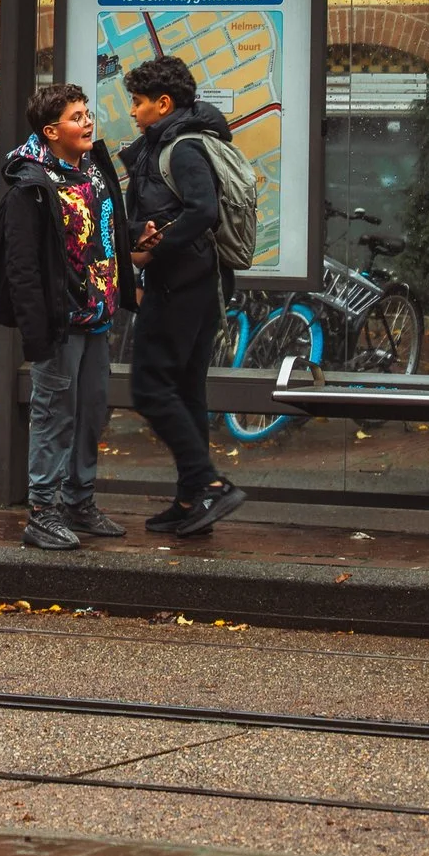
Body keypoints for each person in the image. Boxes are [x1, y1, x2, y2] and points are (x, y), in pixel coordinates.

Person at [0, 83, 134, 550]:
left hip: (98, 314)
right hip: (61, 323)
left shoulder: (92, 169)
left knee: (91, 412)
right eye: (77, 117)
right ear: (52, 131)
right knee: (54, 415)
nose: (88, 121)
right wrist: (39, 336)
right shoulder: (31, 185)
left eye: (87, 113)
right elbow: (23, 268)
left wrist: (136, 242)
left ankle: (79, 500)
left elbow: (103, 233)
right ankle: (42, 512)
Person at [117, 56, 247, 538]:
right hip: (192, 282)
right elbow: (158, 209)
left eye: (138, 101)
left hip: (184, 284)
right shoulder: (162, 144)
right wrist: (142, 233)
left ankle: (209, 483)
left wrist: (155, 246)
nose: (132, 111)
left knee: (150, 388)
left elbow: (203, 212)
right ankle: (194, 497)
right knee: (186, 391)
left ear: (163, 103)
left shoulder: (184, 147)